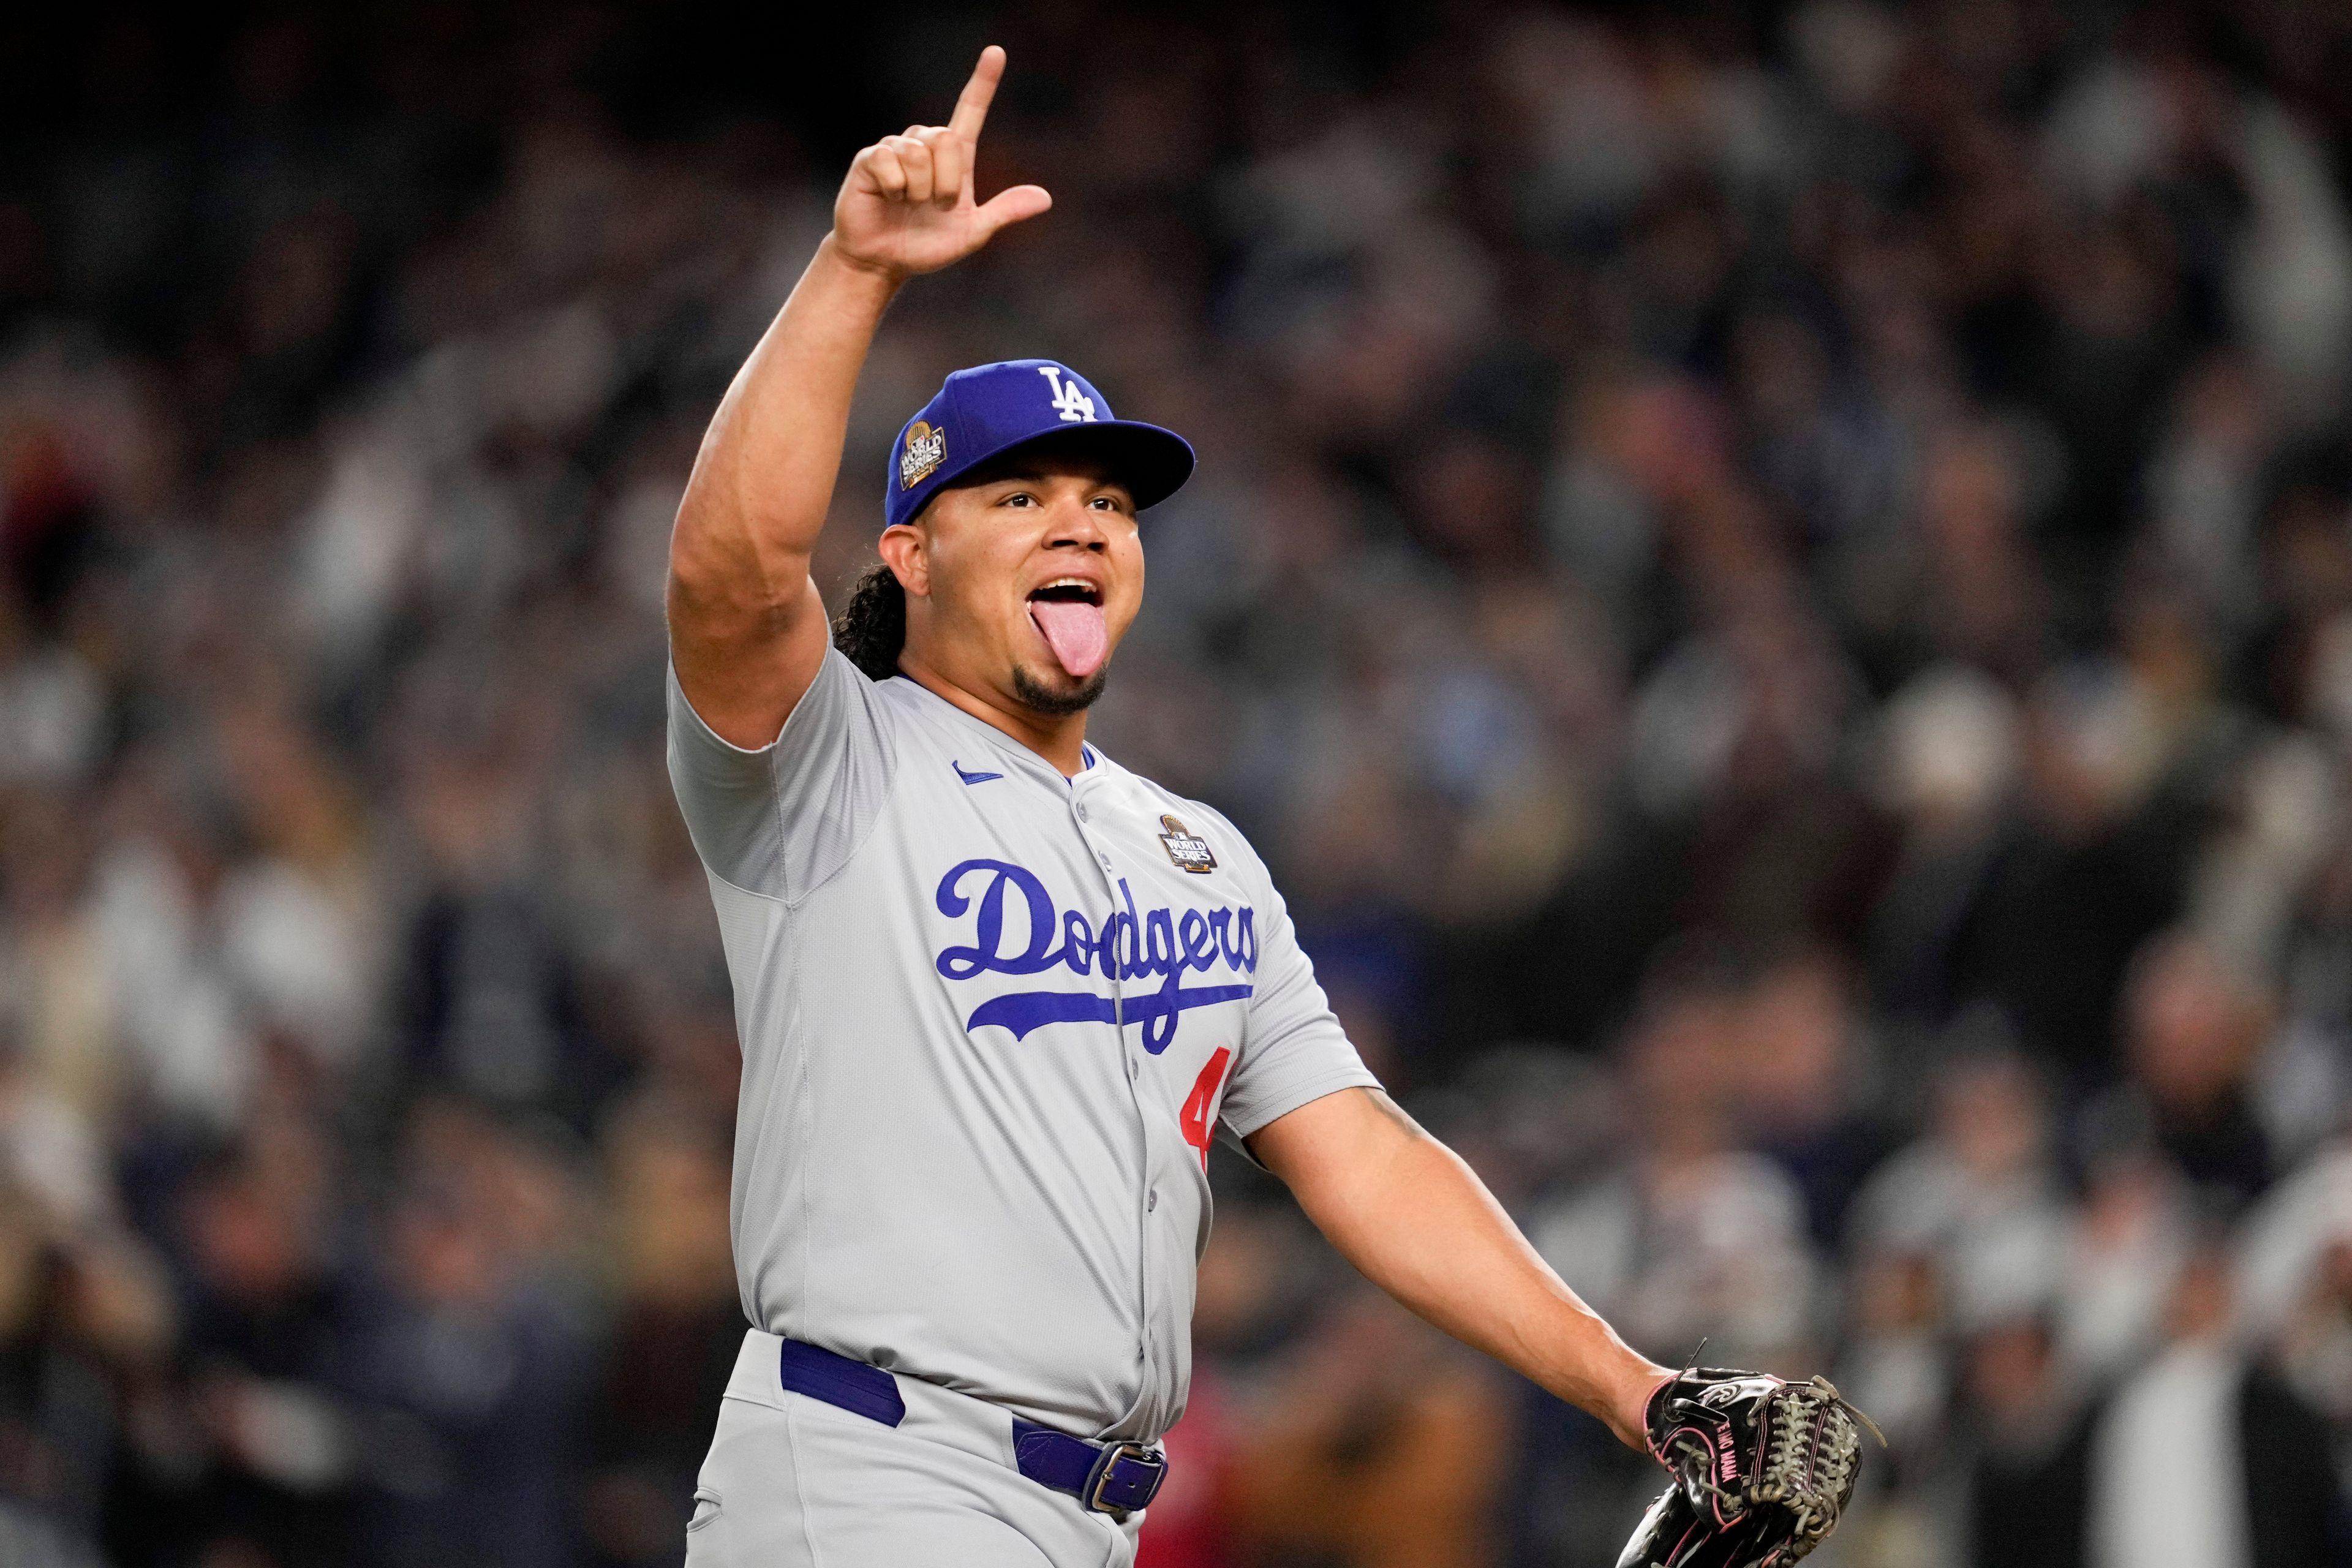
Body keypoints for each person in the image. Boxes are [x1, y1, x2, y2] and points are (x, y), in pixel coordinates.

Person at [662, 46, 1676, 1567]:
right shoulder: (827, 761)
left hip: (1093, 1517)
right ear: (912, 559)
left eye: (1110, 501)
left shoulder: (1198, 852)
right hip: (872, 1474)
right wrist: (853, 269)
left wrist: (1637, 1388)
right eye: (1019, 494)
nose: (1079, 516)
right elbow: (730, 578)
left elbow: (1366, 1154)